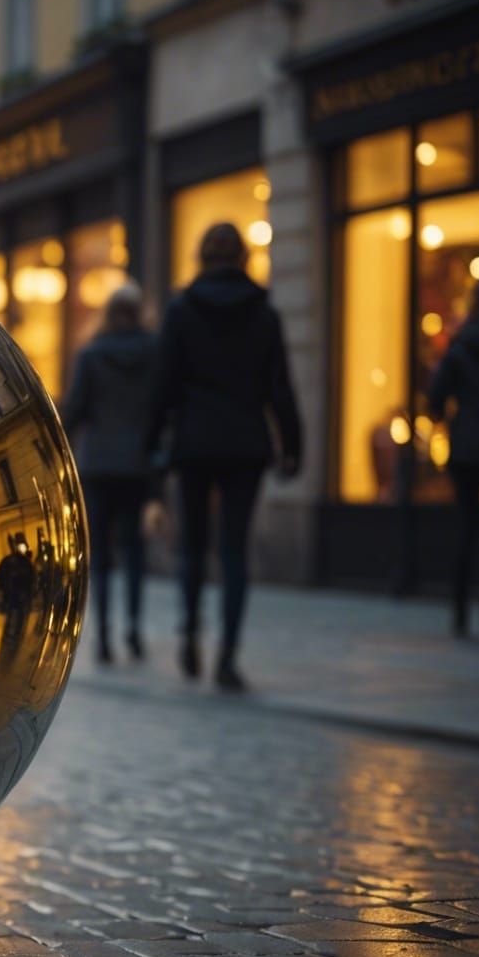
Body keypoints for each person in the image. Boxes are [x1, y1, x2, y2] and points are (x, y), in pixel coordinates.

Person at [149, 222, 301, 692]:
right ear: (243, 258)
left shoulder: (181, 311)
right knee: (235, 550)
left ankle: (190, 631)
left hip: (194, 442)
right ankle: (228, 657)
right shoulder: (264, 313)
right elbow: (280, 387)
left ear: (201, 257)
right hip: (245, 443)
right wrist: (294, 445)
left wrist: (151, 443)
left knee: (193, 546)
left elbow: (163, 385)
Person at [61, 281, 158, 664]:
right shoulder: (154, 353)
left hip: (99, 462)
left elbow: (76, 410)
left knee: (101, 554)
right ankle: (133, 629)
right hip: (138, 464)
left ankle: (101, 637)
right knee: (134, 550)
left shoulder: (91, 354)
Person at [426, 277, 479, 637]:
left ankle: (459, 610)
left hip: (468, 445)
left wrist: (450, 417)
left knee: (468, 529)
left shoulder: (461, 346)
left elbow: (435, 400)